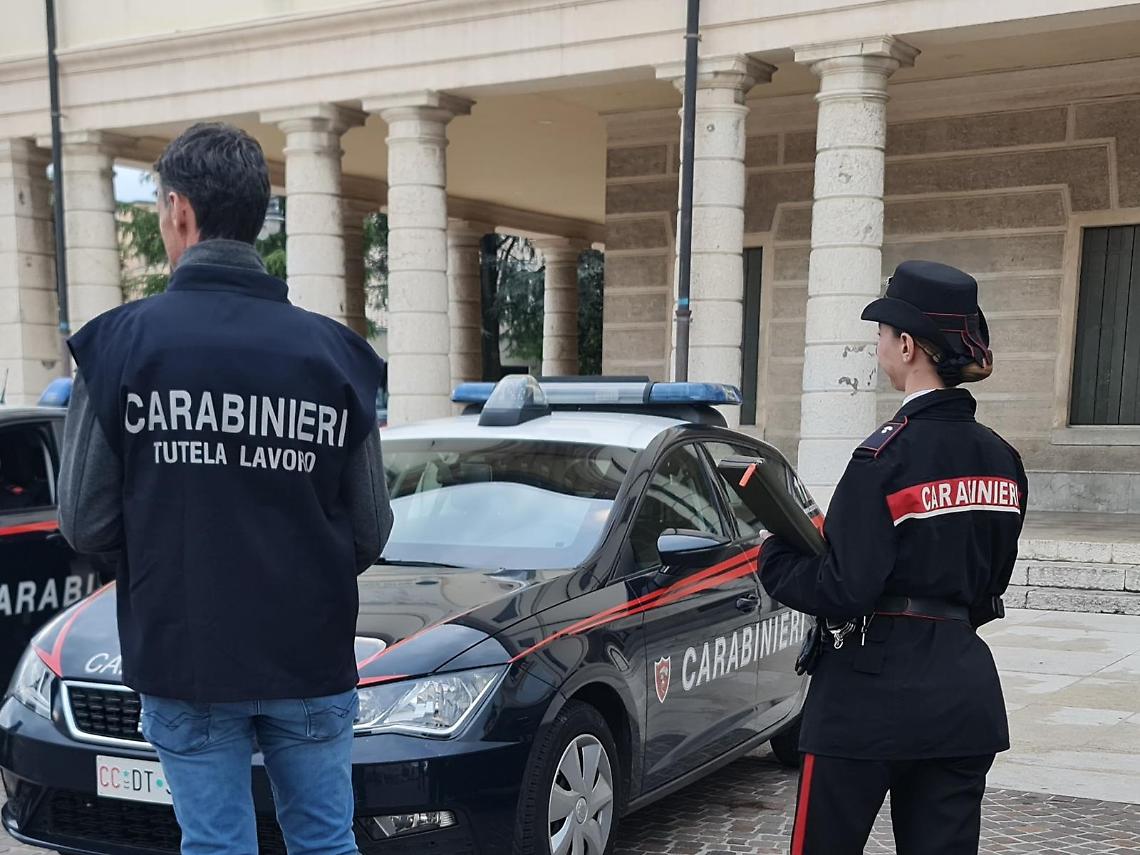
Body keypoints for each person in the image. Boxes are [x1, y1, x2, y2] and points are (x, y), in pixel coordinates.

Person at [59, 122, 393, 855]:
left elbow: (83, 521)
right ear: (256, 212)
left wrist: (168, 539)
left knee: (215, 845)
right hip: (309, 650)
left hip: (187, 650)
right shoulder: (339, 357)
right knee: (325, 841)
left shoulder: (117, 346)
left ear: (179, 211)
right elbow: (370, 529)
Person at [760, 260, 1028, 855]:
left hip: (866, 695)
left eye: (882, 332)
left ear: (907, 346)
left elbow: (843, 587)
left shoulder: (884, 457)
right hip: (962, 693)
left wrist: (774, 553)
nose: (877, 343)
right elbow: (992, 583)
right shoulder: (1004, 460)